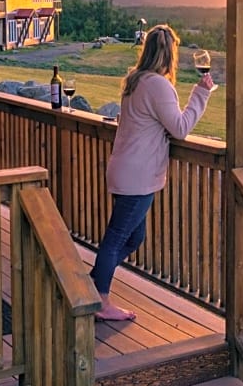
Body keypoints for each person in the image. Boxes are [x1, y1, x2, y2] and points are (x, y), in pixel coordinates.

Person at [91, 24, 215, 320]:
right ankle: (100, 301)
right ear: (170, 53)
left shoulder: (135, 80)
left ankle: (92, 283)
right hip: (138, 176)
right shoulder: (157, 85)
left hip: (126, 169)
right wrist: (201, 93)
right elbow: (180, 128)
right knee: (117, 237)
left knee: (132, 239)